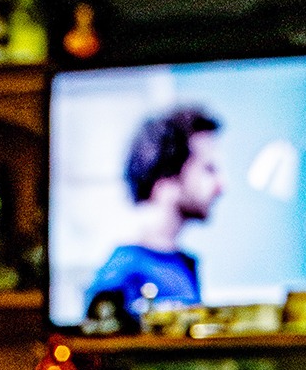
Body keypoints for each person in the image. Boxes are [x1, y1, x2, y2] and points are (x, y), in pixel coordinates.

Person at [85, 107, 223, 316]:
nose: (221, 186)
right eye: (208, 169)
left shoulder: (181, 264)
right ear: (166, 178)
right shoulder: (120, 277)